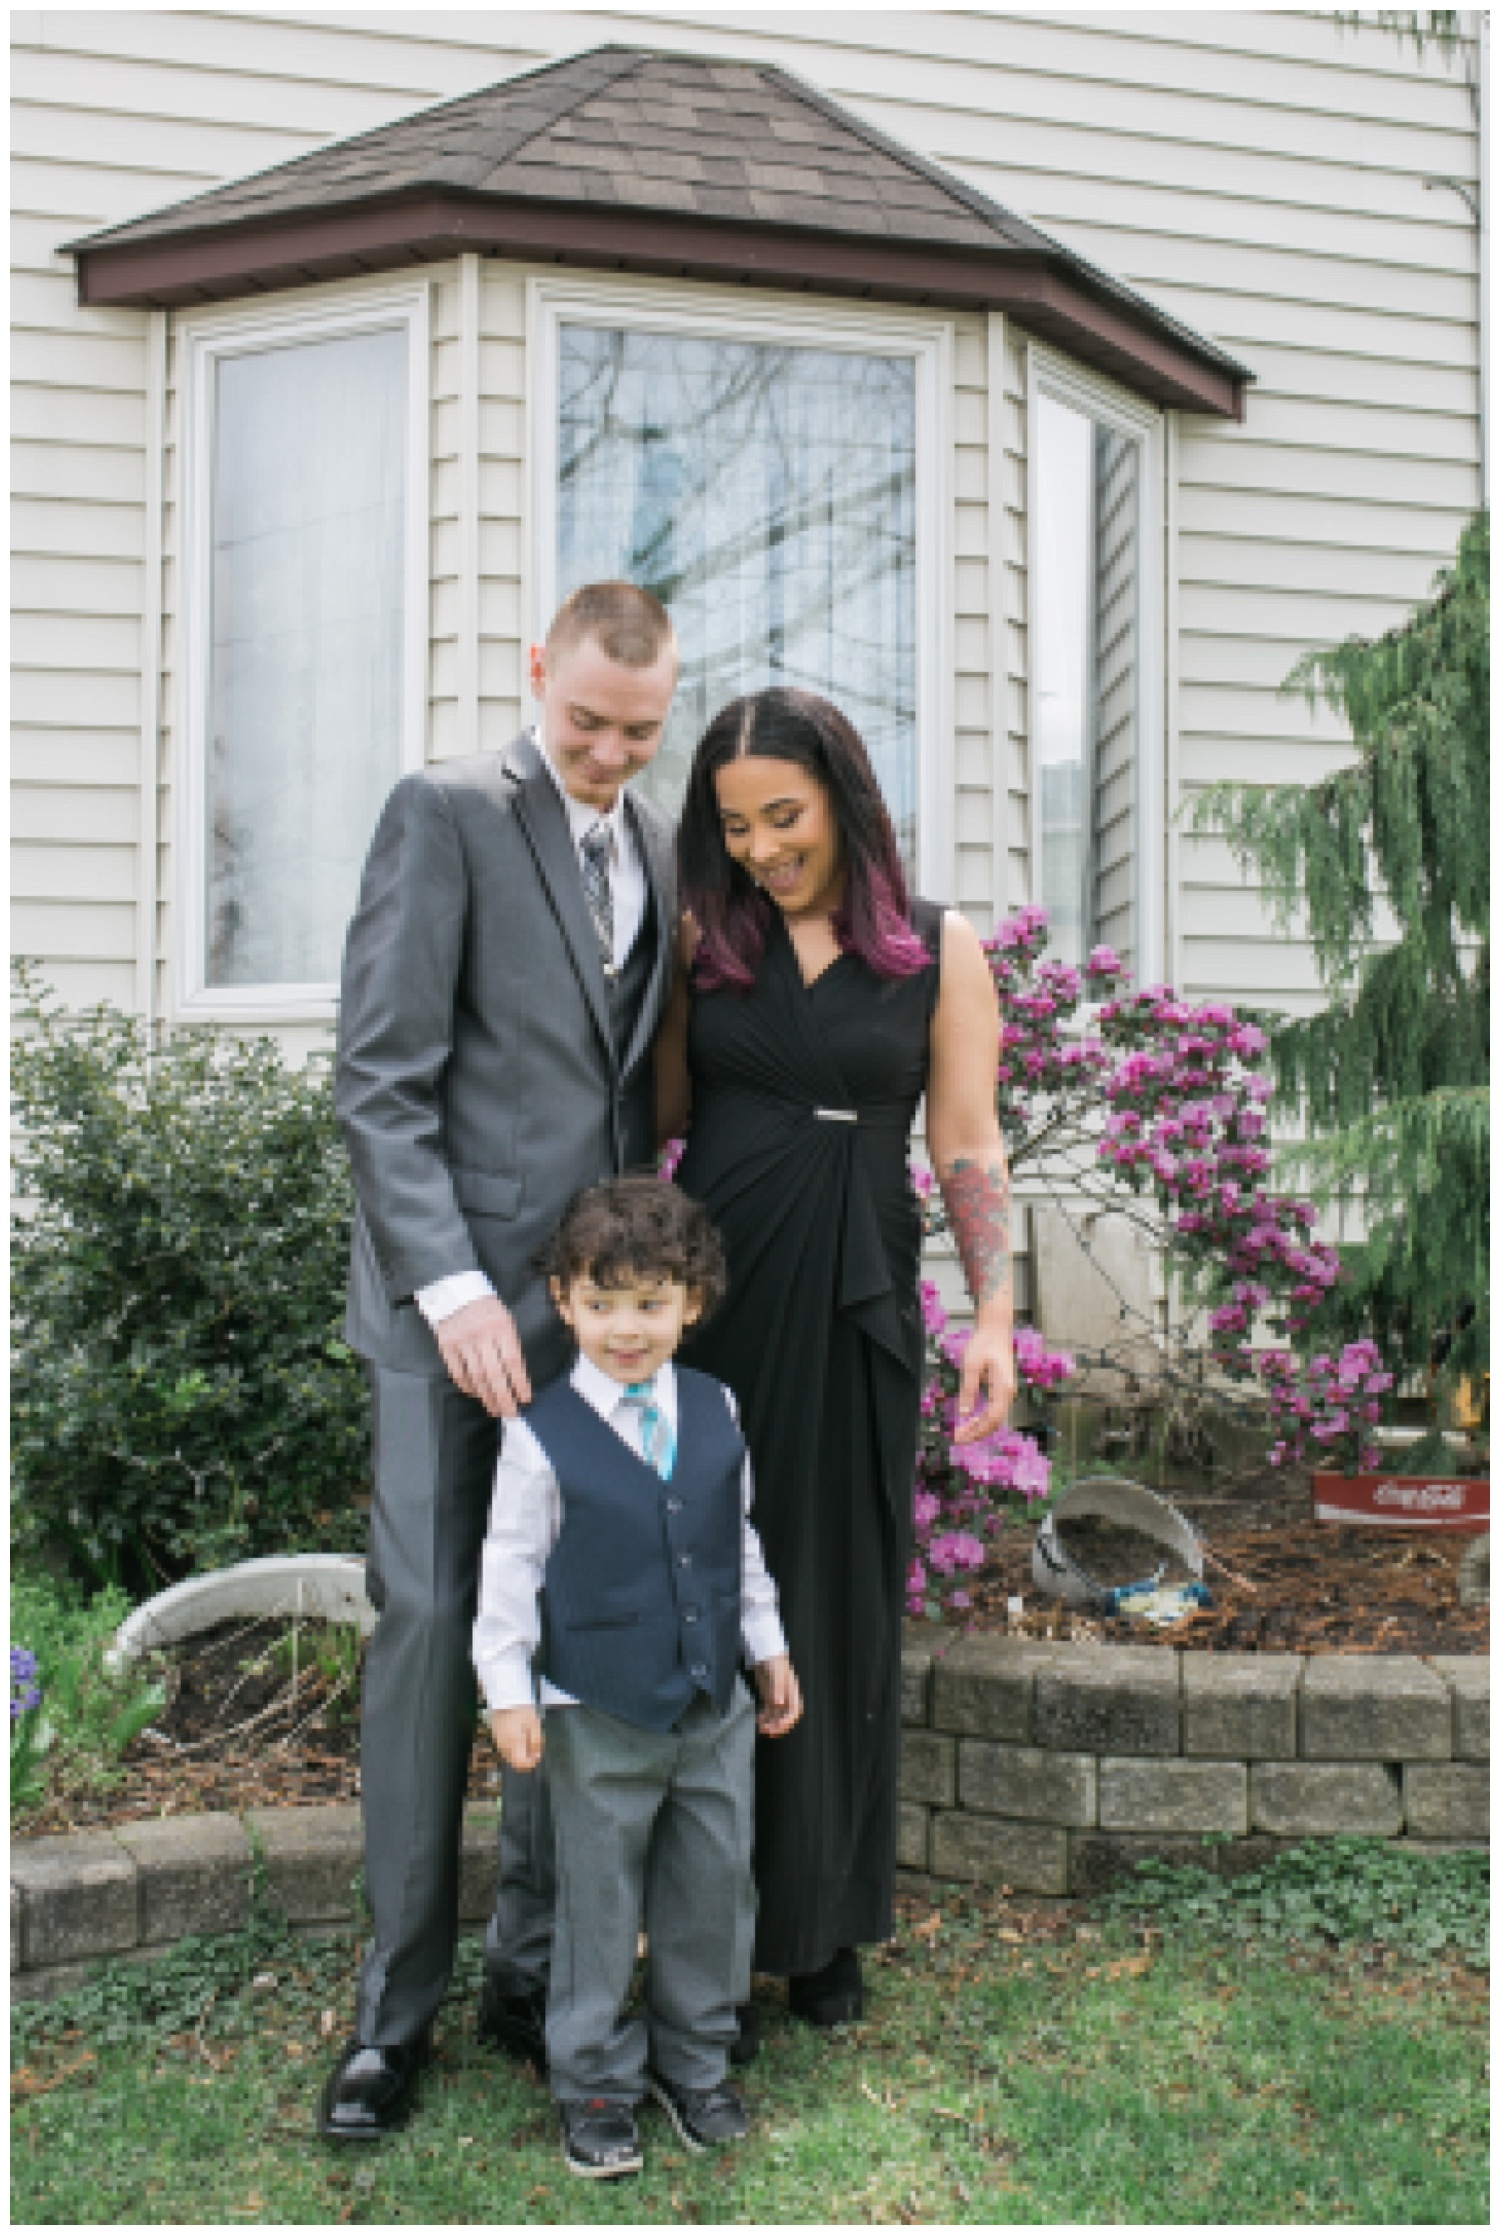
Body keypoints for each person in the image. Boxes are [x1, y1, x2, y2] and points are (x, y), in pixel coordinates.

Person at [322, 583, 680, 2141]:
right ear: (540, 674)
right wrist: (453, 1284)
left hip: (587, 1322)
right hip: (443, 1320)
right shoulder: (447, 809)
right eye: (588, 720)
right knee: (429, 1633)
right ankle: (387, 2018)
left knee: (560, 1637)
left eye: (639, 731)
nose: (609, 753)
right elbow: (379, 1082)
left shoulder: (661, 846)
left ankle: (527, 1973)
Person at [657, 687, 1017, 2044]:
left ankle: (822, 1929)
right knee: (712, 1596)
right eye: (733, 823)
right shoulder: (706, 945)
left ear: (846, 797)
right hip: (719, 1296)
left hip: (861, 1287)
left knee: (838, 1600)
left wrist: (992, 1314)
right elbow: (662, 1118)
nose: (758, 846)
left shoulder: (937, 947)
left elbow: (967, 1141)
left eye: (783, 815)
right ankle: (715, 1927)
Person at [473, 1177, 802, 2179]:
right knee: (599, 1905)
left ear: (692, 1305)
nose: (626, 1328)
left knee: (712, 1886)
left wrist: (769, 1645)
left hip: (710, 1705)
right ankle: (595, 2083)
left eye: (651, 1303)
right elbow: (509, 1570)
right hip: (595, 1711)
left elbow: (733, 1541)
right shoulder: (539, 1435)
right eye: (601, 1303)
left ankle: (694, 2061)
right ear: (563, 1302)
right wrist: (508, 1691)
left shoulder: (716, 1407)